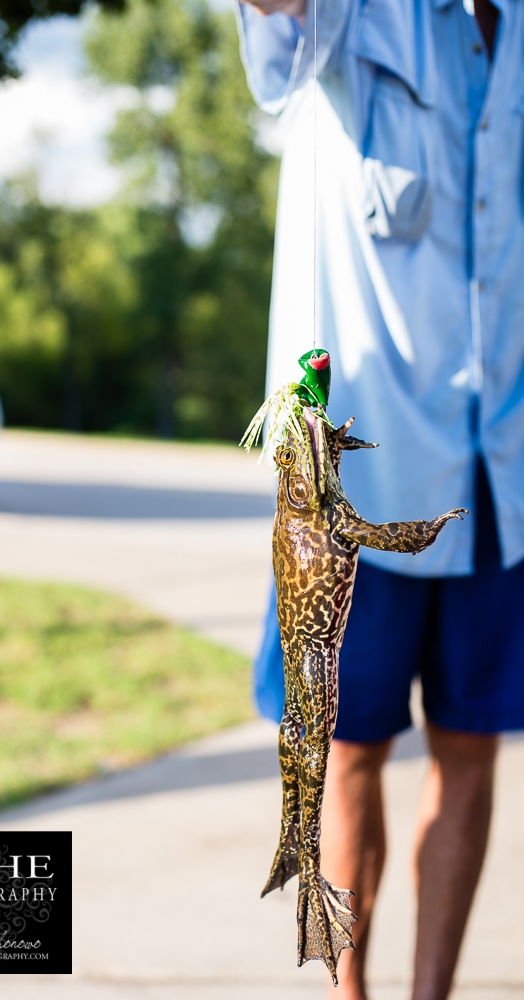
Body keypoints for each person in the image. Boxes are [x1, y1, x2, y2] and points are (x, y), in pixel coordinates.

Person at [235, 0, 524, 998]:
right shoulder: (366, 11)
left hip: (503, 473)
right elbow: (278, 19)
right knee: (343, 755)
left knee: (472, 749)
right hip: (358, 480)